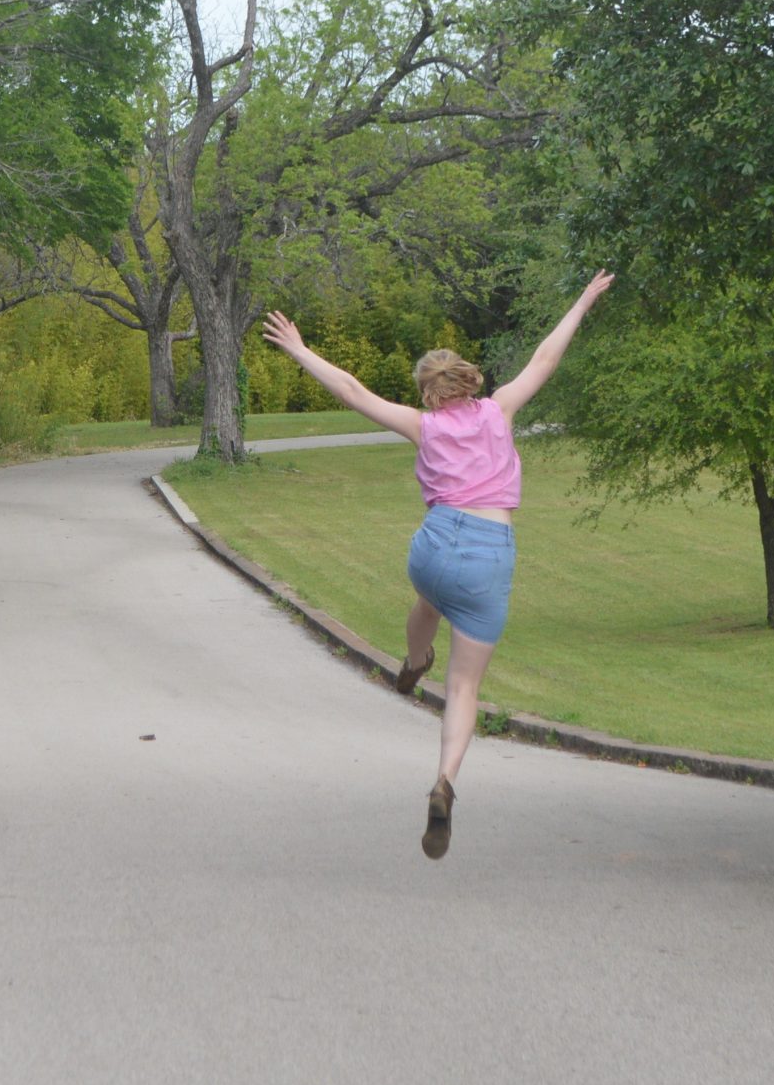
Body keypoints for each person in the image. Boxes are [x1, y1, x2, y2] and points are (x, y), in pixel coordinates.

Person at [260, 272, 615, 858]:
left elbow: (351, 390)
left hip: (433, 544)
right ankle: (445, 780)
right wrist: (581, 300)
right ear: (468, 382)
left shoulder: (422, 425)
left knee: (429, 599)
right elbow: (546, 357)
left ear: (428, 392)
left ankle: (414, 658)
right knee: (465, 684)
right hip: (489, 552)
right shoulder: (499, 410)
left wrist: (300, 350)